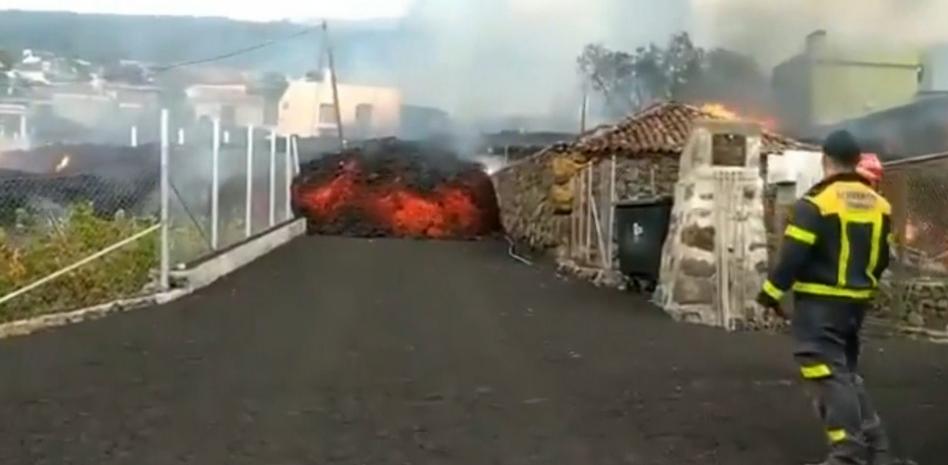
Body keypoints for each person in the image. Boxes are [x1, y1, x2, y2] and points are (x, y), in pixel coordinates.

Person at [756, 130, 896, 465]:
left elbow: (792, 257)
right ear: (856, 160)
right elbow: (881, 258)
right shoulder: (880, 205)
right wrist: (864, 286)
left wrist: (770, 295)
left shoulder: (816, 204)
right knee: (845, 374)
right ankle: (878, 450)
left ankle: (848, 454)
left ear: (825, 159)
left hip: (820, 307)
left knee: (828, 375)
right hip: (855, 304)